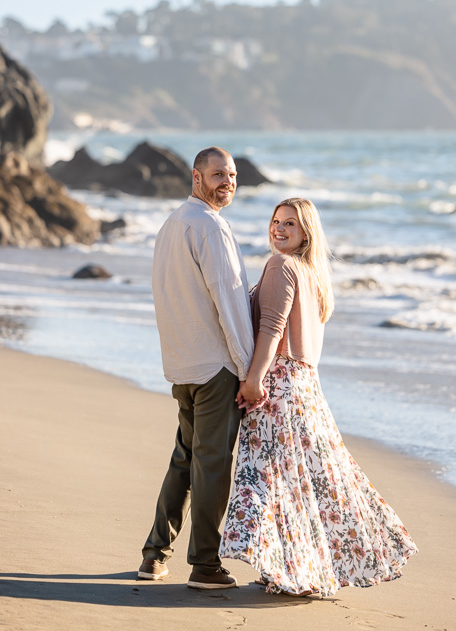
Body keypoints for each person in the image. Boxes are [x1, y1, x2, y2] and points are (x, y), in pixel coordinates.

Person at [220, 197, 418, 597]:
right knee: (308, 479)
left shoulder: (282, 265)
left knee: (270, 475)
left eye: (290, 224)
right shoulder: (314, 274)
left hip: (280, 382)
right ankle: (295, 567)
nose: (279, 229)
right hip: (308, 385)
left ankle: (288, 567)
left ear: (306, 232)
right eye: (276, 221)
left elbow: (272, 329)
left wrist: (254, 379)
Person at [138, 146, 262, 590]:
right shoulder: (210, 226)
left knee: (184, 459)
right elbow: (229, 303)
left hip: (182, 363)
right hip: (215, 367)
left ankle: (154, 555)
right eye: (217, 175)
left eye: (231, 175)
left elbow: (164, 293)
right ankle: (205, 566)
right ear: (196, 177)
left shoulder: (172, 224)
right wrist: (250, 372)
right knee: (211, 465)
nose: (226, 182)